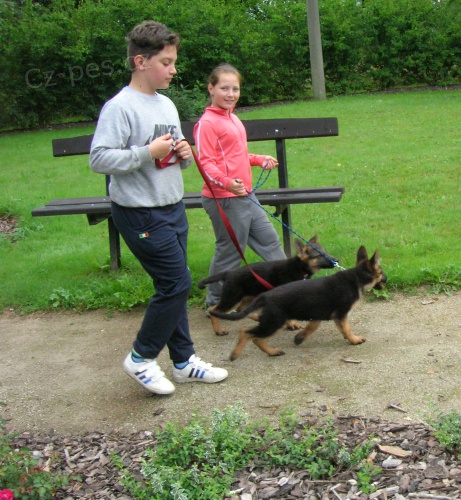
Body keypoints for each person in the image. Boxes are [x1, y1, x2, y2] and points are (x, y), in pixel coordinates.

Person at [89, 20, 228, 395]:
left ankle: (183, 362)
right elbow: (99, 159)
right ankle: (141, 357)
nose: (173, 69)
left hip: (172, 207)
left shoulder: (165, 103)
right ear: (141, 62)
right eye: (166, 62)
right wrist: (145, 152)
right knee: (176, 283)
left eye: (173, 61)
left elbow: (175, 156)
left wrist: (184, 153)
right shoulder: (120, 107)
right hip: (139, 212)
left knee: (175, 284)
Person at [193, 63, 286, 311]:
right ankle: (215, 304)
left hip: (245, 195)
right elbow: (206, 163)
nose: (231, 94)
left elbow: (236, 155)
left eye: (235, 89)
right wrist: (227, 183)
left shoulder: (232, 117)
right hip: (224, 199)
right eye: (224, 88)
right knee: (230, 253)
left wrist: (259, 159)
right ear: (211, 88)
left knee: (270, 241)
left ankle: (291, 293)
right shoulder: (207, 123)